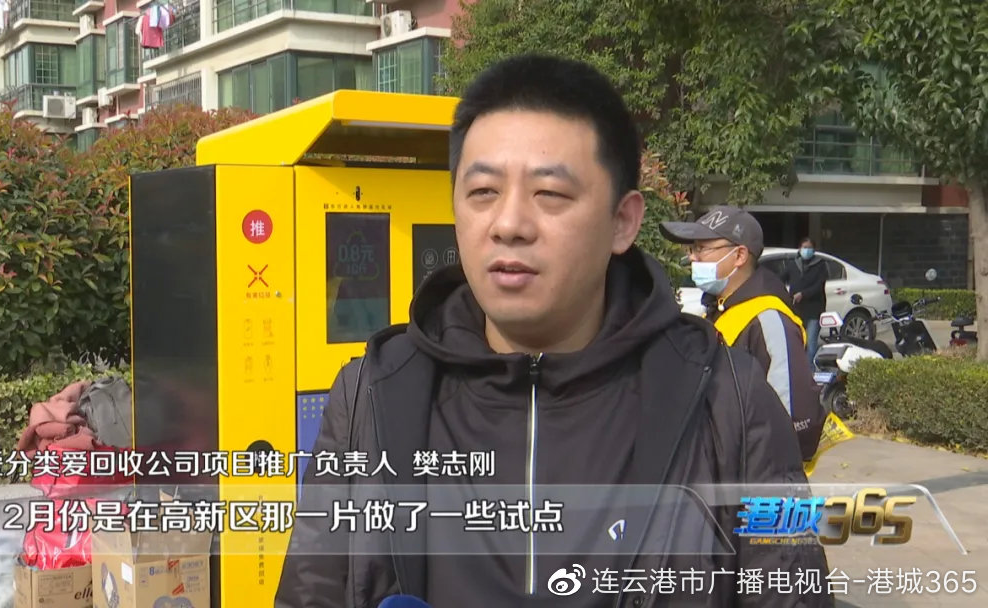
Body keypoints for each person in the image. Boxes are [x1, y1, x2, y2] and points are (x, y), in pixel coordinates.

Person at [276, 54, 831, 608]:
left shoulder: (728, 400)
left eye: (550, 194)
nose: (509, 224)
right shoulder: (372, 396)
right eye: (483, 192)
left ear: (623, 222)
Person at [660, 208, 826, 463]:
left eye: (701, 248)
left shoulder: (768, 319)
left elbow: (794, 422)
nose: (692, 257)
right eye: (692, 249)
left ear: (739, 255)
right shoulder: (719, 308)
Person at [782, 237, 829, 370]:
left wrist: (803, 294)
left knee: (811, 343)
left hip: (814, 309)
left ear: (813, 250)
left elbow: (819, 286)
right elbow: (781, 278)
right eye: (804, 247)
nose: (806, 250)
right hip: (796, 310)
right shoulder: (793, 264)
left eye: (809, 248)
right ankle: (799, 370)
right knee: (797, 341)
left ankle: (810, 371)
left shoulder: (820, 265)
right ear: (799, 249)